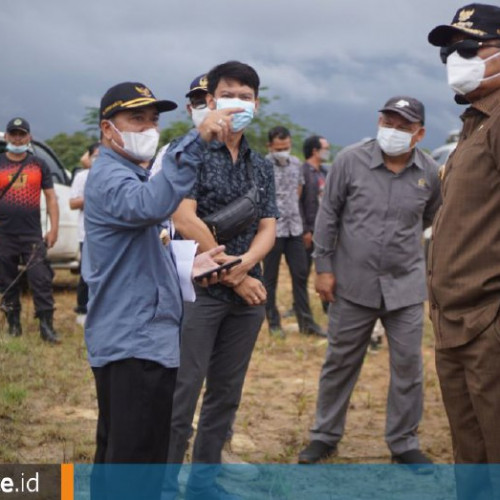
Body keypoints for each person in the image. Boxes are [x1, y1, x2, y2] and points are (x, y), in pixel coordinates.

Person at [82, 81, 237, 500]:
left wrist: (188, 265)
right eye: (136, 118)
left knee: (126, 455)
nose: (148, 127)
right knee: (135, 461)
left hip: (144, 338)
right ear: (107, 128)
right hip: (134, 342)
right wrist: (197, 136)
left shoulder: (129, 172)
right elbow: (151, 205)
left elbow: (137, 257)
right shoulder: (111, 175)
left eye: (153, 119)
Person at [298, 96, 441, 470]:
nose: (392, 131)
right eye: (387, 121)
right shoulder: (351, 161)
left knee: (409, 367)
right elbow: (329, 215)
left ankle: (403, 442)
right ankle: (324, 436)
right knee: (340, 361)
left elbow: (429, 217)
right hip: (352, 283)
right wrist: (324, 268)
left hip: (406, 286)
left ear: (419, 133)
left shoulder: (429, 171)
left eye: (403, 126)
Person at [167, 61, 278, 500]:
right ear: (210, 101)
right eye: (229, 95)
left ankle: (203, 485)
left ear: (256, 103)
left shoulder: (261, 166)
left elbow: (269, 226)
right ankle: (162, 486)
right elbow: (183, 217)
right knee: (183, 394)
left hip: (249, 294)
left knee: (225, 396)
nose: (238, 103)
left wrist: (247, 263)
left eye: (247, 96)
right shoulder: (187, 150)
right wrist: (234, 276)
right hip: (202, 291)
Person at [427, 4, 500, 496]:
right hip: (457, 322)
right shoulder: (475, 123)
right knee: (471, 456)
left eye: (472, 48)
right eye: (451, 51)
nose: (459, 57)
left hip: (489, 321)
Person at [0, 117, 60, 343]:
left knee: (41, 279)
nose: (17, 138)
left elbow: (52, 199)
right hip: (4, 234)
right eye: (13, 134)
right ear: (6, 136)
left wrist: (53, 229)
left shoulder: (38, 164)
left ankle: (46, 326)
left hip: (32, 234)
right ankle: (13, 324)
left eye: (21, 134)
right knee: (6, 280)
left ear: (29, 137)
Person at [263, 126, 325, 338]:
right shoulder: (261, 165)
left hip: (294, 228)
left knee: (300, 275)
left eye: (286, 147)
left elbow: (299, 192)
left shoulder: (297, 164)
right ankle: (273, 323)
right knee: (270, 278)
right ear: (270, 146)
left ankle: (306, 323)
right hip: (272, 230)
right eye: (279, 148)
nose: (283, 151)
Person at [299, 135, 331, 314]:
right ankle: (301, 308)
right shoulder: (303, 172)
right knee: (303, 272)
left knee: (326, 270)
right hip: (309, 229)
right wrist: (305, 229)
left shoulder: (325, 172)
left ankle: (328, 305)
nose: (328, 151)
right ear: (314, 150)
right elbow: (299, 202)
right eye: (325, 148)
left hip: (324, 230)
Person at [69, 142, 99, 325]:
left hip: (109, 233)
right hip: (86, 233)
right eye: (95, 155)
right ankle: (82, 309)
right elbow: (72, 203)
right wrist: (94, 196)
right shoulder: (82, 177)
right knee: (86, 273)